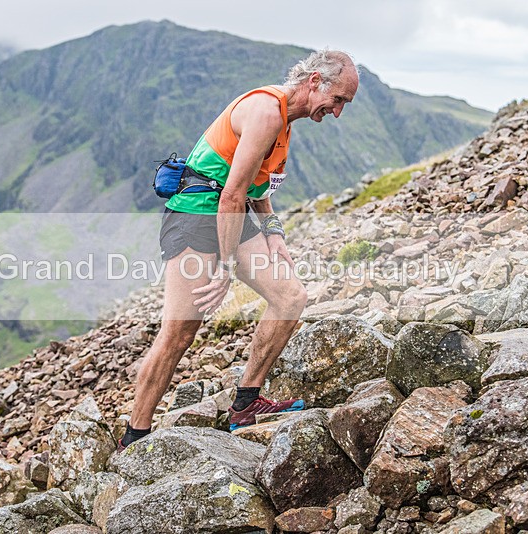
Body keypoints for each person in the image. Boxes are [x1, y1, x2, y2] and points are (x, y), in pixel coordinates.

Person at [120, 49, 360, 449]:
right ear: (315, 81)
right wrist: (224, 269)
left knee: (290, 297)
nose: (337, 113)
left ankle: (246, 404)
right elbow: (232, 196)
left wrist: (275, 235)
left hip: (231, 215)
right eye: (338, 101)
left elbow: (258, 189)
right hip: (195, 217)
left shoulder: (284, 122)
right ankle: (135, 436)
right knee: (180, 333)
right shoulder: (266, 112)